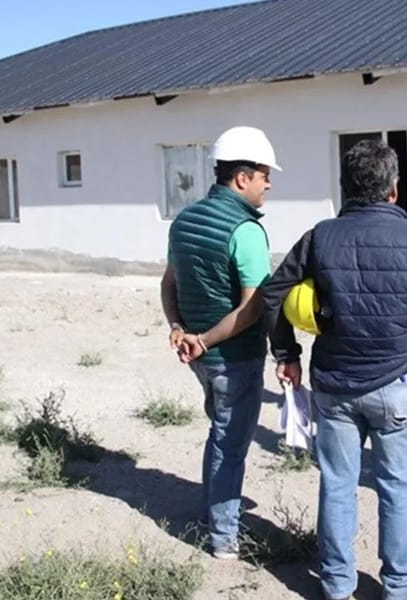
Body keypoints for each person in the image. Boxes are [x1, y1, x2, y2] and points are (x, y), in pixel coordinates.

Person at [263, 139, 407, 600]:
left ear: (345, 188)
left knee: (337, 484)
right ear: (394, 189)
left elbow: (273, 294)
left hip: (334, 387)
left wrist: (286, 354)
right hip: (396, 386)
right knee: (397, 488)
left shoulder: (320, 236)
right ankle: (400, 587)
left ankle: (335, 585)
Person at [160, 125, 281, 559]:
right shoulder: (246, 231)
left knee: (220, 432)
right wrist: (205, 340)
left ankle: (212, 512)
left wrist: (178, 328)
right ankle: (224, 538)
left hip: (200, 356)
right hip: (232, 356)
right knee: (231, 445)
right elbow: (253, 309)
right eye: (265, 175)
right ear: (242, 177)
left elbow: (168, 284)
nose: (269, 184)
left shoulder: (185, 220)